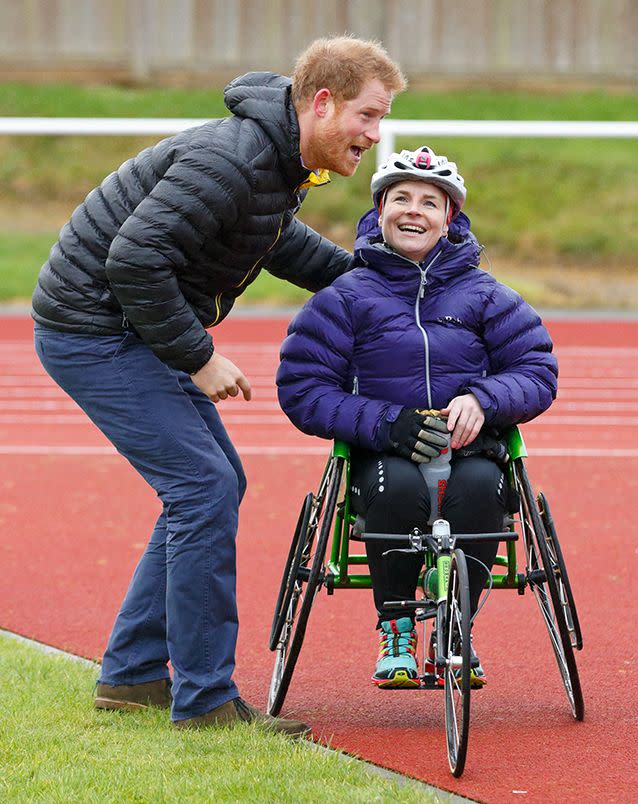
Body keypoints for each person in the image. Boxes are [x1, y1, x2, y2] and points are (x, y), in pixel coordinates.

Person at [31, 36, 406, 733]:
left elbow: (275, 240)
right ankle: (205, 700)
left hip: (127, 328)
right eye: (367, 116)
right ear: (321, 105)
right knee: (202, 487)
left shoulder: (272, 163)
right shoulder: (229, 162)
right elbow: (135, 260)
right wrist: (199, 357)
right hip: (94, 330)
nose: (373, 135)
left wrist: (372, 280)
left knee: (213, 484)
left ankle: (134, 672)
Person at [277, 145, 558, 689]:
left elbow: (536, 368)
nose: (414, 211)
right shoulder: (345, 298)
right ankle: (398, 630)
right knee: (397, 488)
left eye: (430, 202)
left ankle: (457, 631)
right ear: (379, 211)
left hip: (470, 451)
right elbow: (303, 388)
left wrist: (484, 399)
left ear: (449, 218)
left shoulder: (486, 295)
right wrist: (386, 423)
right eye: (400, 198)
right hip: (384, 456)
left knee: (480, 487)